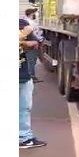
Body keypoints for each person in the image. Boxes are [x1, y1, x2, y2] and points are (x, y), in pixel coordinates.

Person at [19, 19, 47, 149]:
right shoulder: (23, 28)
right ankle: (24, 138)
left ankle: (24, 136)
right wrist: (22, 36)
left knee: (24, 108)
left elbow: (35, 43)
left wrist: (21, 41)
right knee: (23, 108)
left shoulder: (21, 23)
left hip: (23, 74)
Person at [21, 8, 44, 82]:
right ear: (31, 14)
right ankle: (31, 77)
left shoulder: (26, 21)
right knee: (31, 60)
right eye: (35, 13)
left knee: (30, 60)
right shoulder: (30, 23)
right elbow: (35, 34)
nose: (36, 14)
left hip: (28, 44)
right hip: (31, 44)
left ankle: (30, 76)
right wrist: (39, 40)